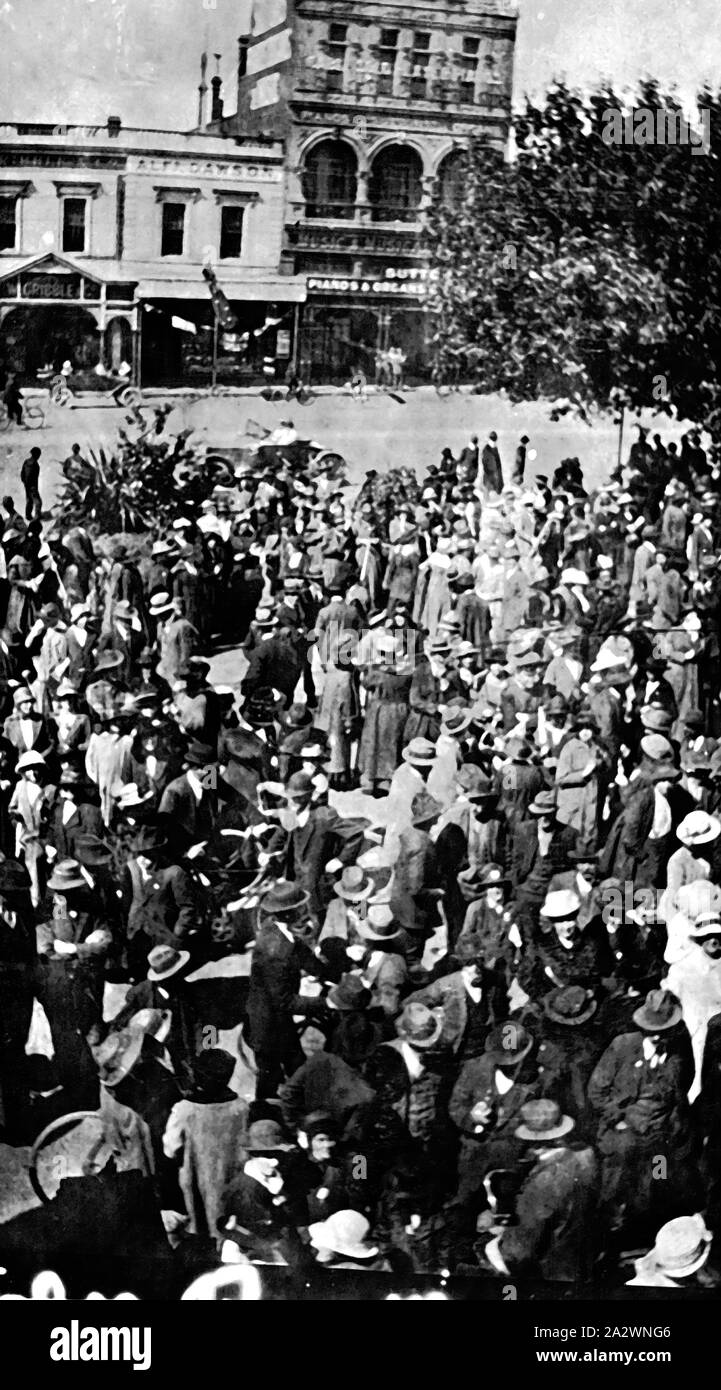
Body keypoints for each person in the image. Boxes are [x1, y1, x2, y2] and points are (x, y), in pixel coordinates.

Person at [20, 447, 42, 521]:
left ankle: (28, 516)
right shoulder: (35, 464)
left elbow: (22, 474)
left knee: (29, 501)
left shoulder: (26, 462)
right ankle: (36, 517)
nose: (39, 456)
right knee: (38, 502)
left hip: (27, 485)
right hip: (32, 487)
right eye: (39, 454)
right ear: (36, 454)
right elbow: (34, 477)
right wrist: (33, 487)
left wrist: (25, 483)